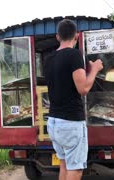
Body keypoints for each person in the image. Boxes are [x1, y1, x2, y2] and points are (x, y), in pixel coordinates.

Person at [45, 19, 103, 180]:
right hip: (70, 123)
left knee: (64, 165)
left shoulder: (49, 59)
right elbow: (83, 89)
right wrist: (95, 69)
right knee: (76, 170)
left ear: (58, 37)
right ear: (76, 36)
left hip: (54, 122)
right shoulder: (74, 55)